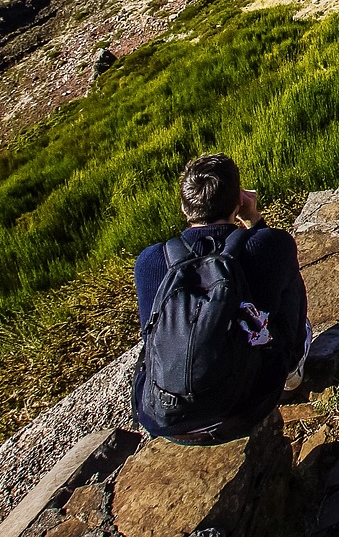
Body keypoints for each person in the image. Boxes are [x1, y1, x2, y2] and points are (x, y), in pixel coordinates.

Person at [133, 153, 310, 442]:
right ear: (240, 200)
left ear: (183, 207)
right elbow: (272, 261)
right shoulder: (270, 245)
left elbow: (149, 335)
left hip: (167, 421)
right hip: (244, 409)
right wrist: (254, 219)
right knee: (289, 287)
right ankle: (291, 372)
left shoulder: (150, 261)